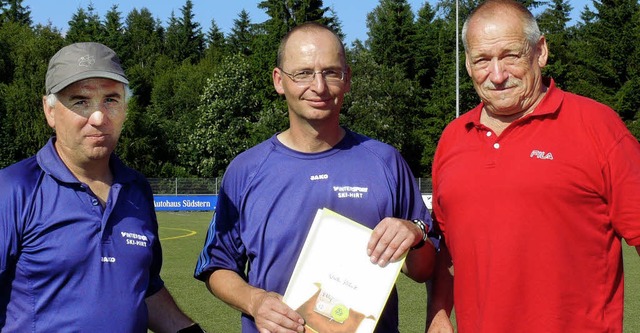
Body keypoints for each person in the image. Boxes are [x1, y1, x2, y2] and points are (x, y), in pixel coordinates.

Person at [194, 22, 437, 333]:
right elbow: (216, 265)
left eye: (331, 72)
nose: (319, 87)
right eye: (304, 73)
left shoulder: (386, 162)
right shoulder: (245, 170)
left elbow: (423, 270)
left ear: (347, 79)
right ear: (279, 81)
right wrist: (254, 301)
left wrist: (413, 235)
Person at [426, 1, 640, 332]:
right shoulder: (453, 138)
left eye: (510, 55)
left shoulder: (599, 126)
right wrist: (438, 314)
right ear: (468, 64)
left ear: (540, 52)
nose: (497, 75)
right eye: (483, 60)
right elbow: (446, 249)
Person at [0, 42, 205, 333]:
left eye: (111, 99)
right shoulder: (13, 188)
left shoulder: (137, 190)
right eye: (80, 101)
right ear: (49, 110)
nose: (98, 118)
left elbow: (143, 288)